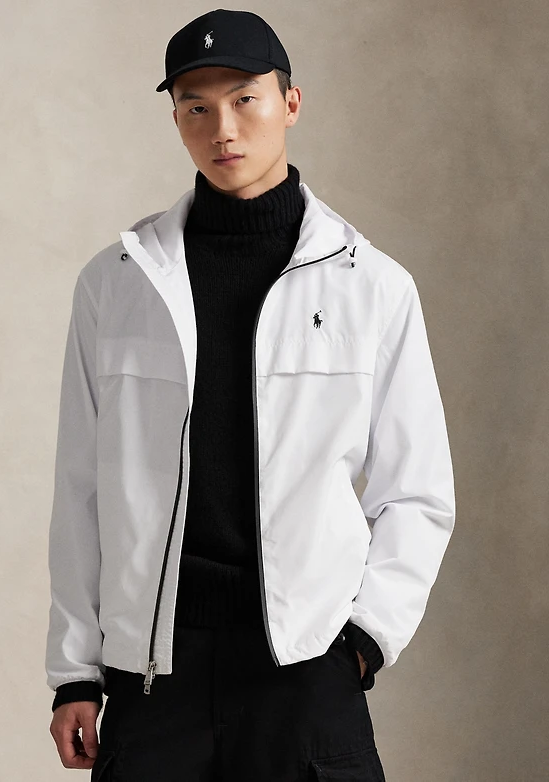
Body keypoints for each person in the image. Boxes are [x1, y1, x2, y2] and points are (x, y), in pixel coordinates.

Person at [45, 9, 455, 781]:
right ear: (175, 120)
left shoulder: (373, 286)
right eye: (196, 107)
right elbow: (81, 491)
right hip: (153, 673)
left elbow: (417, 490)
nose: (222, 128)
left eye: (244, 100)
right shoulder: (118, 284)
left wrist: (365, 641)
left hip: (304, 669)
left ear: (290, 103)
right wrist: (75, 672)